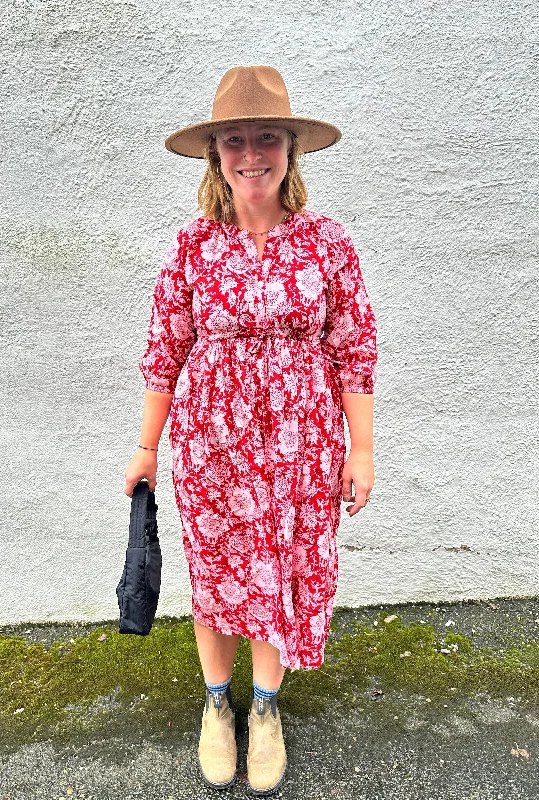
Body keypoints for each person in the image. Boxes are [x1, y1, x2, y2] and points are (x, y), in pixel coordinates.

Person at [124, 65, 378, 795]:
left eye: (266, 136)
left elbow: (354, 345)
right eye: (235, 139)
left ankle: (264, 711)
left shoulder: (328, 243)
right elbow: (164, 348)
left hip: (302, 450)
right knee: (218, 577)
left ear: (290, 148)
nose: (251, 153)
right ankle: (216, 706)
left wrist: (361, 450)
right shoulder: (194, 247)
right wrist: (146, 447)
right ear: (216, 155)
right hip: (213, 449)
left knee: (281, 574)